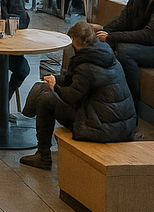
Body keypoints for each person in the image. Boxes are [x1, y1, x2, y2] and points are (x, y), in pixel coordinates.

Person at [19, 21, 136, 171]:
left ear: (78, 42)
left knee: (46, 100)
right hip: (121, 124)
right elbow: (75, 80)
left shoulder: (86, 65)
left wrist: (55, 87)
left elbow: (71, 97)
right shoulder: (104, 53)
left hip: (101, 126)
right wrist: (55, 80)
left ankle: (43, 156)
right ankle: (29, 114)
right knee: (43, 88)